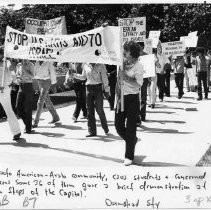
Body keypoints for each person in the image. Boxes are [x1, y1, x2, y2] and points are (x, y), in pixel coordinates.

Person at [115, 41, 144, 166]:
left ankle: (129, 156)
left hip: (133, 99)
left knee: (131, 128)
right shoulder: (121, 63)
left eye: (126, 51)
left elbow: (139, 84)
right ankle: (132, 141)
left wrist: (126, 76)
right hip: (121, 97)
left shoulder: (138, 66)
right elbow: (118, 80)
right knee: (118, 125)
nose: (123, 52)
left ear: (132, 53)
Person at [73, 63, 110, 137]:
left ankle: (105, 128)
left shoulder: (101, 65)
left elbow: (105, 78)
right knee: (90, 111)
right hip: (88, 89)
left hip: (98, 88)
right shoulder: (85, 65)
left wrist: (106, 89)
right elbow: (83, 77)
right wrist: (74, 75)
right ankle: (92, 132)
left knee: (99, 110)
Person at [0, 46, 21, 141]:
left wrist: (14, 81)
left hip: (4, 90)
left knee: (8, 110)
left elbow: (12, 72)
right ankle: (17, 132)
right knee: (9, 110)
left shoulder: (6, 63)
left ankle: (16, 132)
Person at [32, 61, 60, 127]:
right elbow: (35, 71)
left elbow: (52, 73)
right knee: (47, 100)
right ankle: (55, 117)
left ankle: (36, 122)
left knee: (40, 101)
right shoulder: (37, 62)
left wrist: (53, 83)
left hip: (46, 81)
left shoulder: (49, 62)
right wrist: (35, 77)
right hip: (39, 81)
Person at [16, 59, 34, 133]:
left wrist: (25, 69)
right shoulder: (18, 65)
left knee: (28, 108)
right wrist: (17, 79)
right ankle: (28, 124)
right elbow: (17, 75)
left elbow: (33, 76)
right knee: (18, 108)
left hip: (28, 86)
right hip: (21, 86)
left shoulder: (31, 65)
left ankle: (28, 128)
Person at [138, 42, 149, 123]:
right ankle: (138, 115)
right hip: (136, 79)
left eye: (141, 46)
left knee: (143, 97)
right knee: (136, 97)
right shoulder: (133, 55)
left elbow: (149, 69)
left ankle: (142, 115)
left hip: (144, 78)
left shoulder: (146, 56)